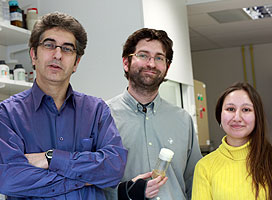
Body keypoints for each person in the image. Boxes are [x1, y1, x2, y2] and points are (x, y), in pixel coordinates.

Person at [0, 12, 127, 200]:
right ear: (33, 55)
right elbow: (8, 178)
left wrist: (50, 159)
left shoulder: (96, 111)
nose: (57, 55)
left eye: (67, 49)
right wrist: (85, 177)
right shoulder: (7, 114)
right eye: (49, 45)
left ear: (76, 62)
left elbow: (114, 168)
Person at [104, 28, 202, 200]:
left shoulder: (182, 120)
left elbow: (194, 180)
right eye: (143, 55)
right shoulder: (102, 117)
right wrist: (124, 192)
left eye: (159, 58)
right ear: (126, 62)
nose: (151, 64)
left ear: (167, 67)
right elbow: (90, 182)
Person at [192, 82, 272, 200]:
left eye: (246, 109)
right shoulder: (204, 167)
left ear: (257, 116)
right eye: (230, 109)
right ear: (220, 115)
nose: (237, 118)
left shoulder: (269, 158)